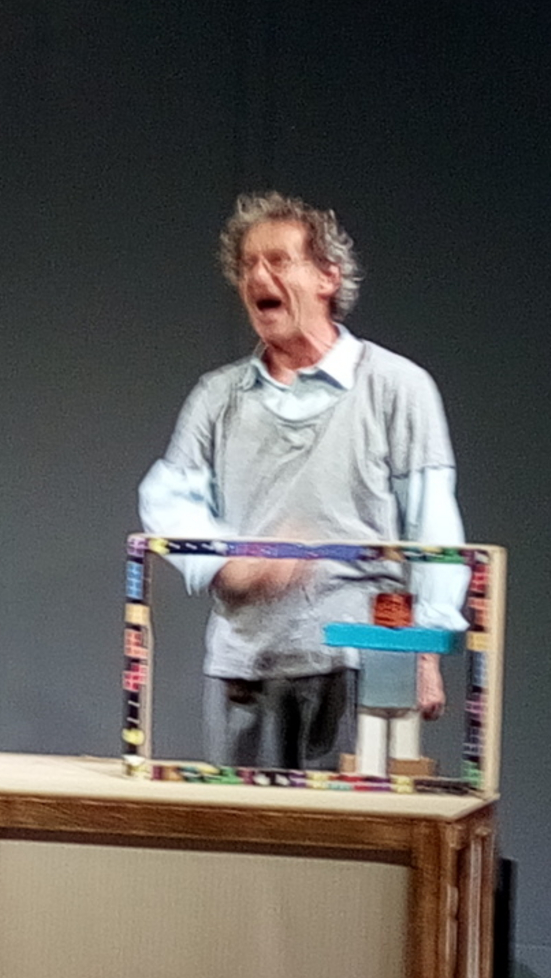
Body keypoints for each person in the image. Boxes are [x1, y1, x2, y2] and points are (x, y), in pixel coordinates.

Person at [138, 192, 467, 771]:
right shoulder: (218, 397)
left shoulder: (395, 386)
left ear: (327, 277)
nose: (257, 277)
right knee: (241, 825)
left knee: (347, 825)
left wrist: (425, 648)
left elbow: (432, 521)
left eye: (278, 261)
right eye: (248, 265)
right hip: (245, 665)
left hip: (355, 660)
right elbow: (166, 496)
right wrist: (228, 563)